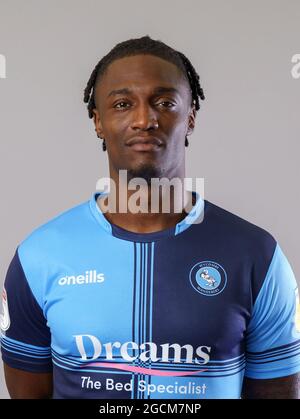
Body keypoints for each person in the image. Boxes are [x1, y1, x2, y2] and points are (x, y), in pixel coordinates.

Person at [1, 35, 300, 399]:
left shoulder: (257, 255)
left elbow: (278, 390)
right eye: (123, 103)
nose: (145, 119)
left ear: (190, 117)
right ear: (98, 121)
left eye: (164, 102)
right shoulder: (39, 257)